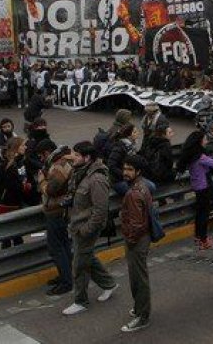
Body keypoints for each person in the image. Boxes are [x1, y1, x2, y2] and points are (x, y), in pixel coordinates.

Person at [63, 141, 118, 316]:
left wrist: (86, 229)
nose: (73, 157)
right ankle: (109, 283)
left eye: (77, 155)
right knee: (86, 257)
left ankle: (81, 301)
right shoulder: (81, 172)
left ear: (87, 158)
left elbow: (100, 210)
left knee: (79, 265)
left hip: (86, 228)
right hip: (77, 225)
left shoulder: (97, 179)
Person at [119, 154, 152, 333]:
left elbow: (137, 224)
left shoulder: (134, 193)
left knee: (138, 279)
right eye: (125, 169)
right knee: (137, 276)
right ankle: (140, 309)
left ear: (138, 171)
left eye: (130, 170)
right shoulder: (141, 186)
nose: (125, 172)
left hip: (136, 240)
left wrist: (130, 240)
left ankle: (142, 316)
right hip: (139, 238)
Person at [40, 146, 74, 296]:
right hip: (62, 210)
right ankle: (65, 275)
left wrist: (41, 180)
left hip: (56, 211)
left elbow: (50, 190)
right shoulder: (65, 166)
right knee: (64, 245)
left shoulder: (58, 169)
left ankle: (66, 282)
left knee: (56, 248)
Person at [178, 130, 213, 250]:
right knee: (204, 214)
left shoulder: (192, 156)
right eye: (205, 139)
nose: (206, 141)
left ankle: (198, 236)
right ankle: (203, 239)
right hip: (204, 186)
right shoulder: (201, 157)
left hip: (197, 186)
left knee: (199, 213)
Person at [0, 137, 32, 249]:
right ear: (16, 148)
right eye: (23, 145)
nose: (25, 147)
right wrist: (24, 187)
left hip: (16, 202)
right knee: (9, 236)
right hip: (7, 204)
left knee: (17, 235)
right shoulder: (8, 166)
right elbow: (12, 186)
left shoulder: (21, 162)